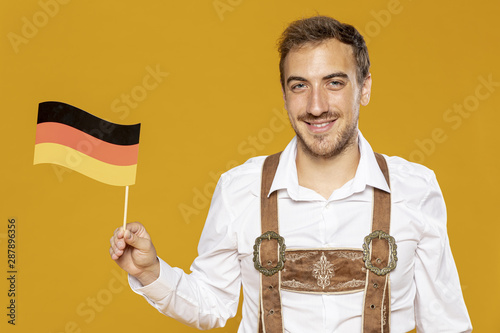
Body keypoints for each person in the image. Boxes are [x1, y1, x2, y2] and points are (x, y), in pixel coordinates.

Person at [109, 15, 472, 332]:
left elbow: (446, 324)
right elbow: (212, 305)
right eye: (300, 85)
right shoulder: (241, 188)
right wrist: (149, 271)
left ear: (364, 89)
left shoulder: (415, 189)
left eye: (334, 83)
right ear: (284, 95)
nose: (316, 106)